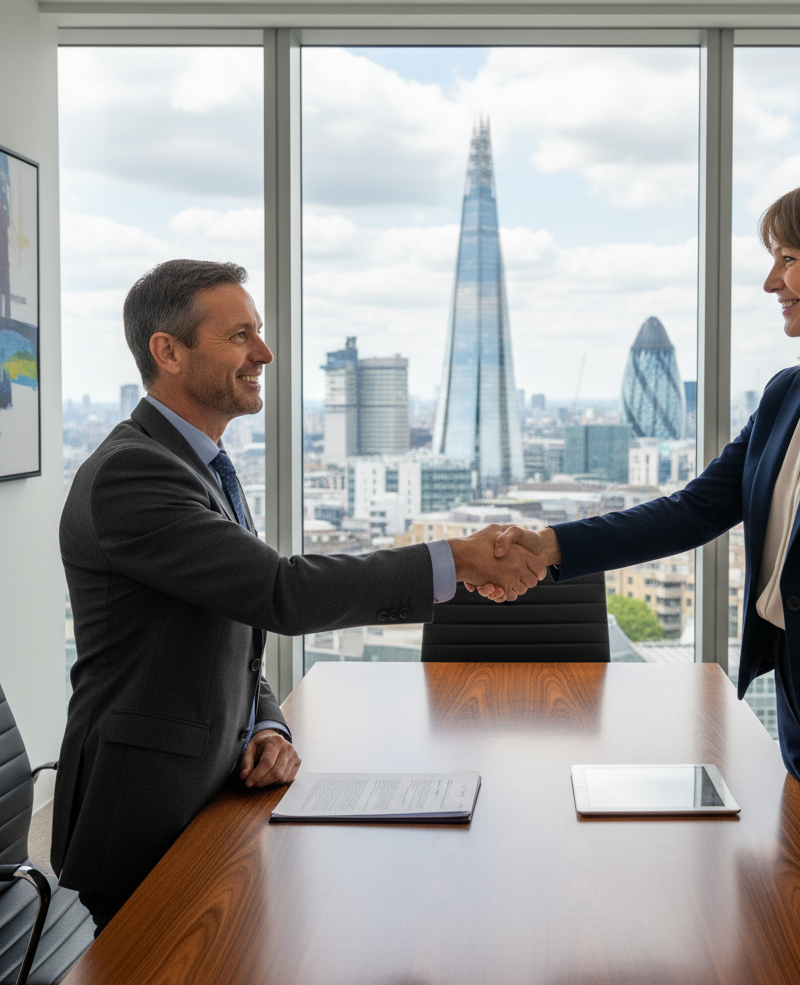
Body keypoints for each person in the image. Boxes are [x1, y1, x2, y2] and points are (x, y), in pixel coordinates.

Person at [480, 173, 800, 942]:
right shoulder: (793, 391)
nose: (770, 281)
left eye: (788, 258)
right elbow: (694, 508)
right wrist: (552, 548)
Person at [54, 259, 545, 934]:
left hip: (214, 791)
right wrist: (454, 560)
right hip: (145, 812)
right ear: (167, 351)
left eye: (258, 332)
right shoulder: (133, 473)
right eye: (239, 336)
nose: (264, 353)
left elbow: (231, 626)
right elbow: (279, 592)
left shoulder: (198, 464)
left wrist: (267, 723)